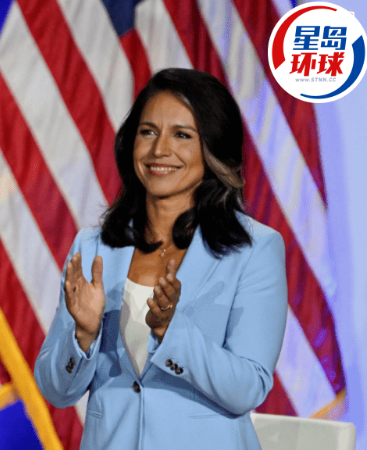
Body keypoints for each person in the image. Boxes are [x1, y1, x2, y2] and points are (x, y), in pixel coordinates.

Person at [34, 68, 288, 449]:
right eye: (148, 132)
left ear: (213, 147)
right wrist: (83, 335)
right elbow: (56, 390)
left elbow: (249, 387)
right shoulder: (94, 247)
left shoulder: (255, 250)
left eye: (182, 135)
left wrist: (173, 332)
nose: (159, 151)